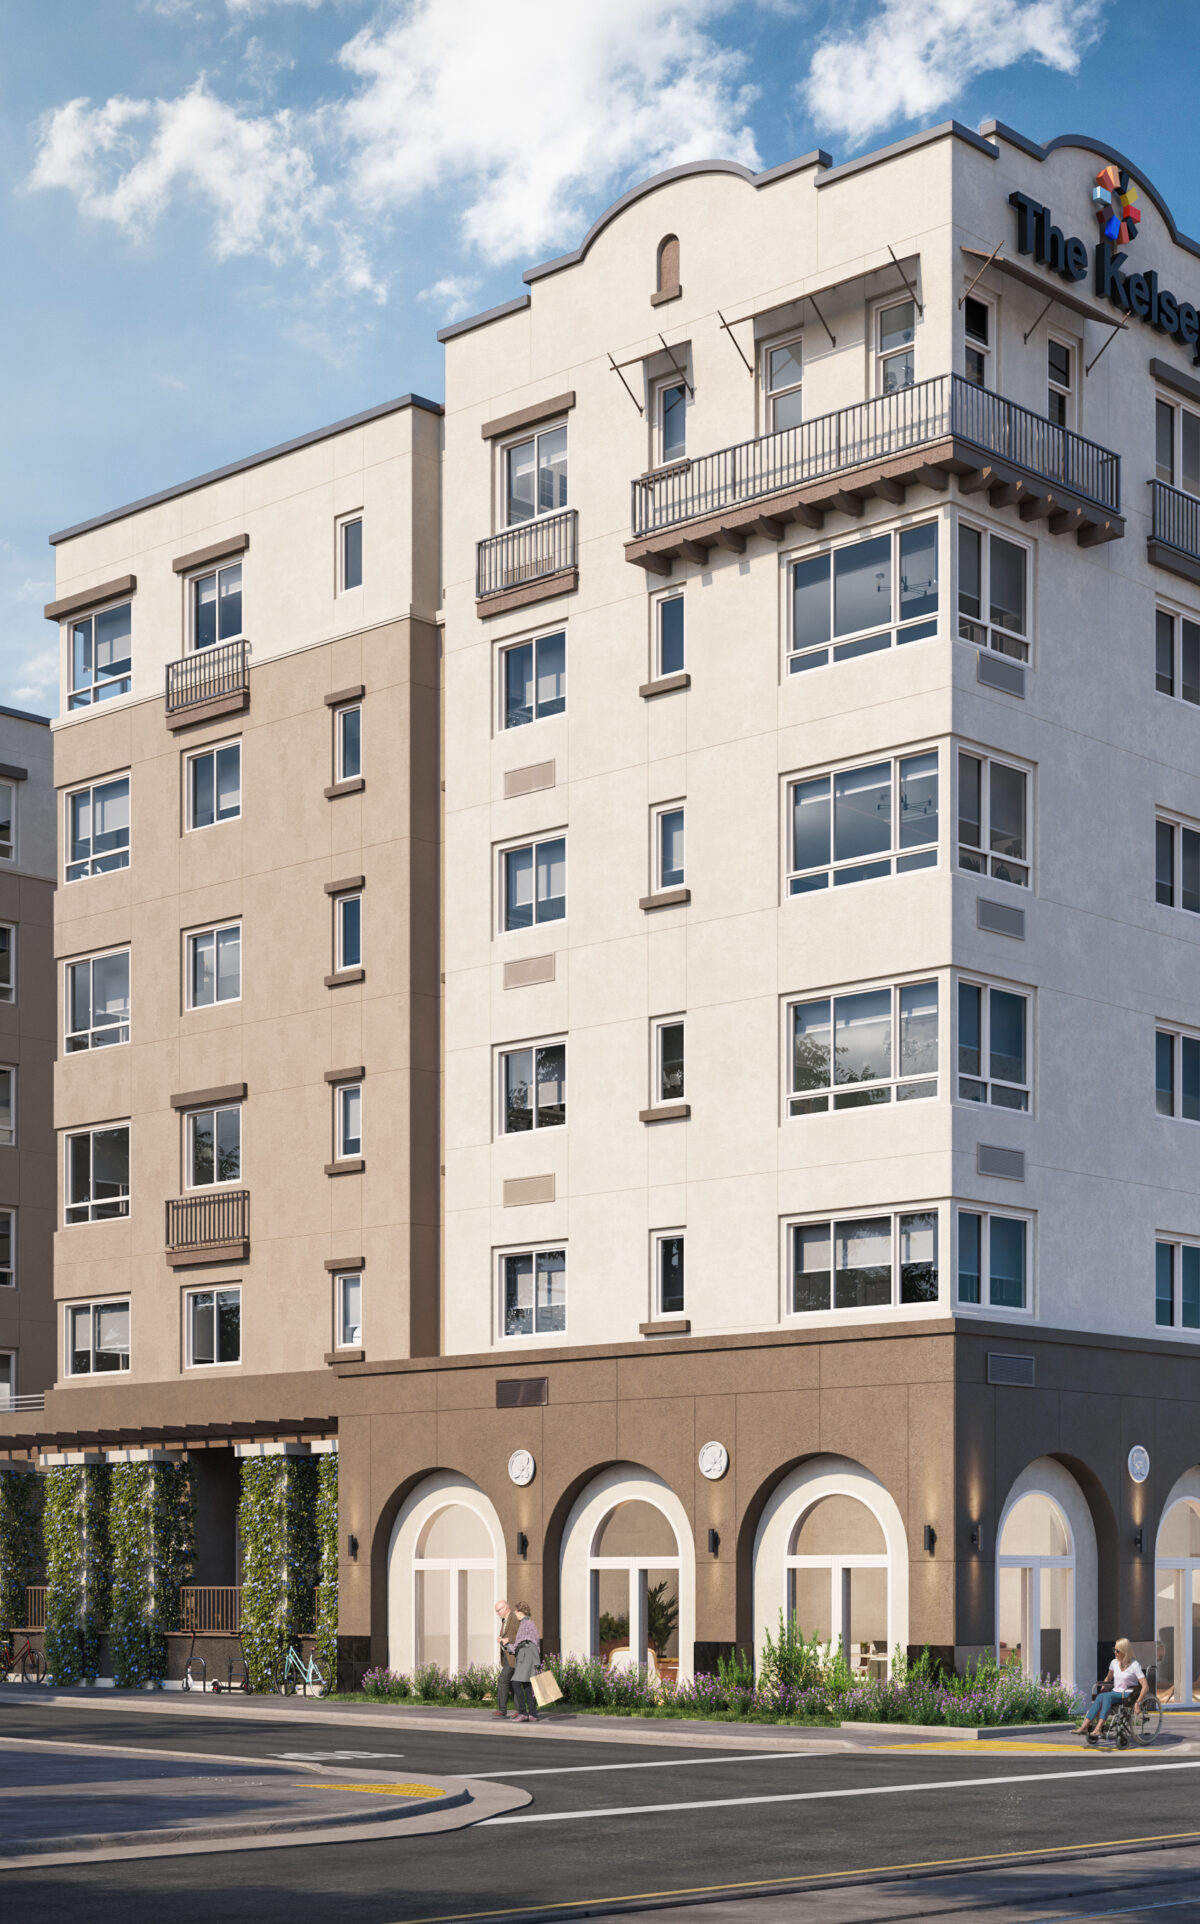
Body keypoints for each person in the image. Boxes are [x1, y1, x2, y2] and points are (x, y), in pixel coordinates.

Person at [1080, 1638, 1148, 1741]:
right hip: (1116, 1693)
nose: (1115, 1652)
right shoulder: (1114, 1663)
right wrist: (1103, 1689)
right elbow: (1108, 1678)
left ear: (1125, 1651)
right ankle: (1085, 1726)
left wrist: (1138, 1702)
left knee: (1107, 1696)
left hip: (1128, 1695)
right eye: (1114, 1650)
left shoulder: (1134, 1665)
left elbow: (1145, 1686)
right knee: (1102, 1696)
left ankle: (1098, 1728)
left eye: (1117, 1651)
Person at [506, 1602, 542, 1723]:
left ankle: (523, 1713)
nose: (515, 1613)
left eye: (516, 1611)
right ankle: (532, 1714)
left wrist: (508, 1645)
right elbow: (526, 1642)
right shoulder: (527, 1623)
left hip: (527, 1656)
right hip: (526, 1656)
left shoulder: (526, 1623)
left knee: (515, 1682)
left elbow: (528, 1643)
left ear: (520, 1612)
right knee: (527, 1685)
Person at [492, 1599, 519, 1720]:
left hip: (513, 1657)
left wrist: (507, 1639)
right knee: (513, 1684)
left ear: (505, 1608)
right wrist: (501, 1639)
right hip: (507, 1656)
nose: (497, 1613)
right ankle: (520, 1710)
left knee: (503, 1680)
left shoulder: (514, 1618)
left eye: (498, 1611)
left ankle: (502, 1710)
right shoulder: (505, 1620)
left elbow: (520, 1635)